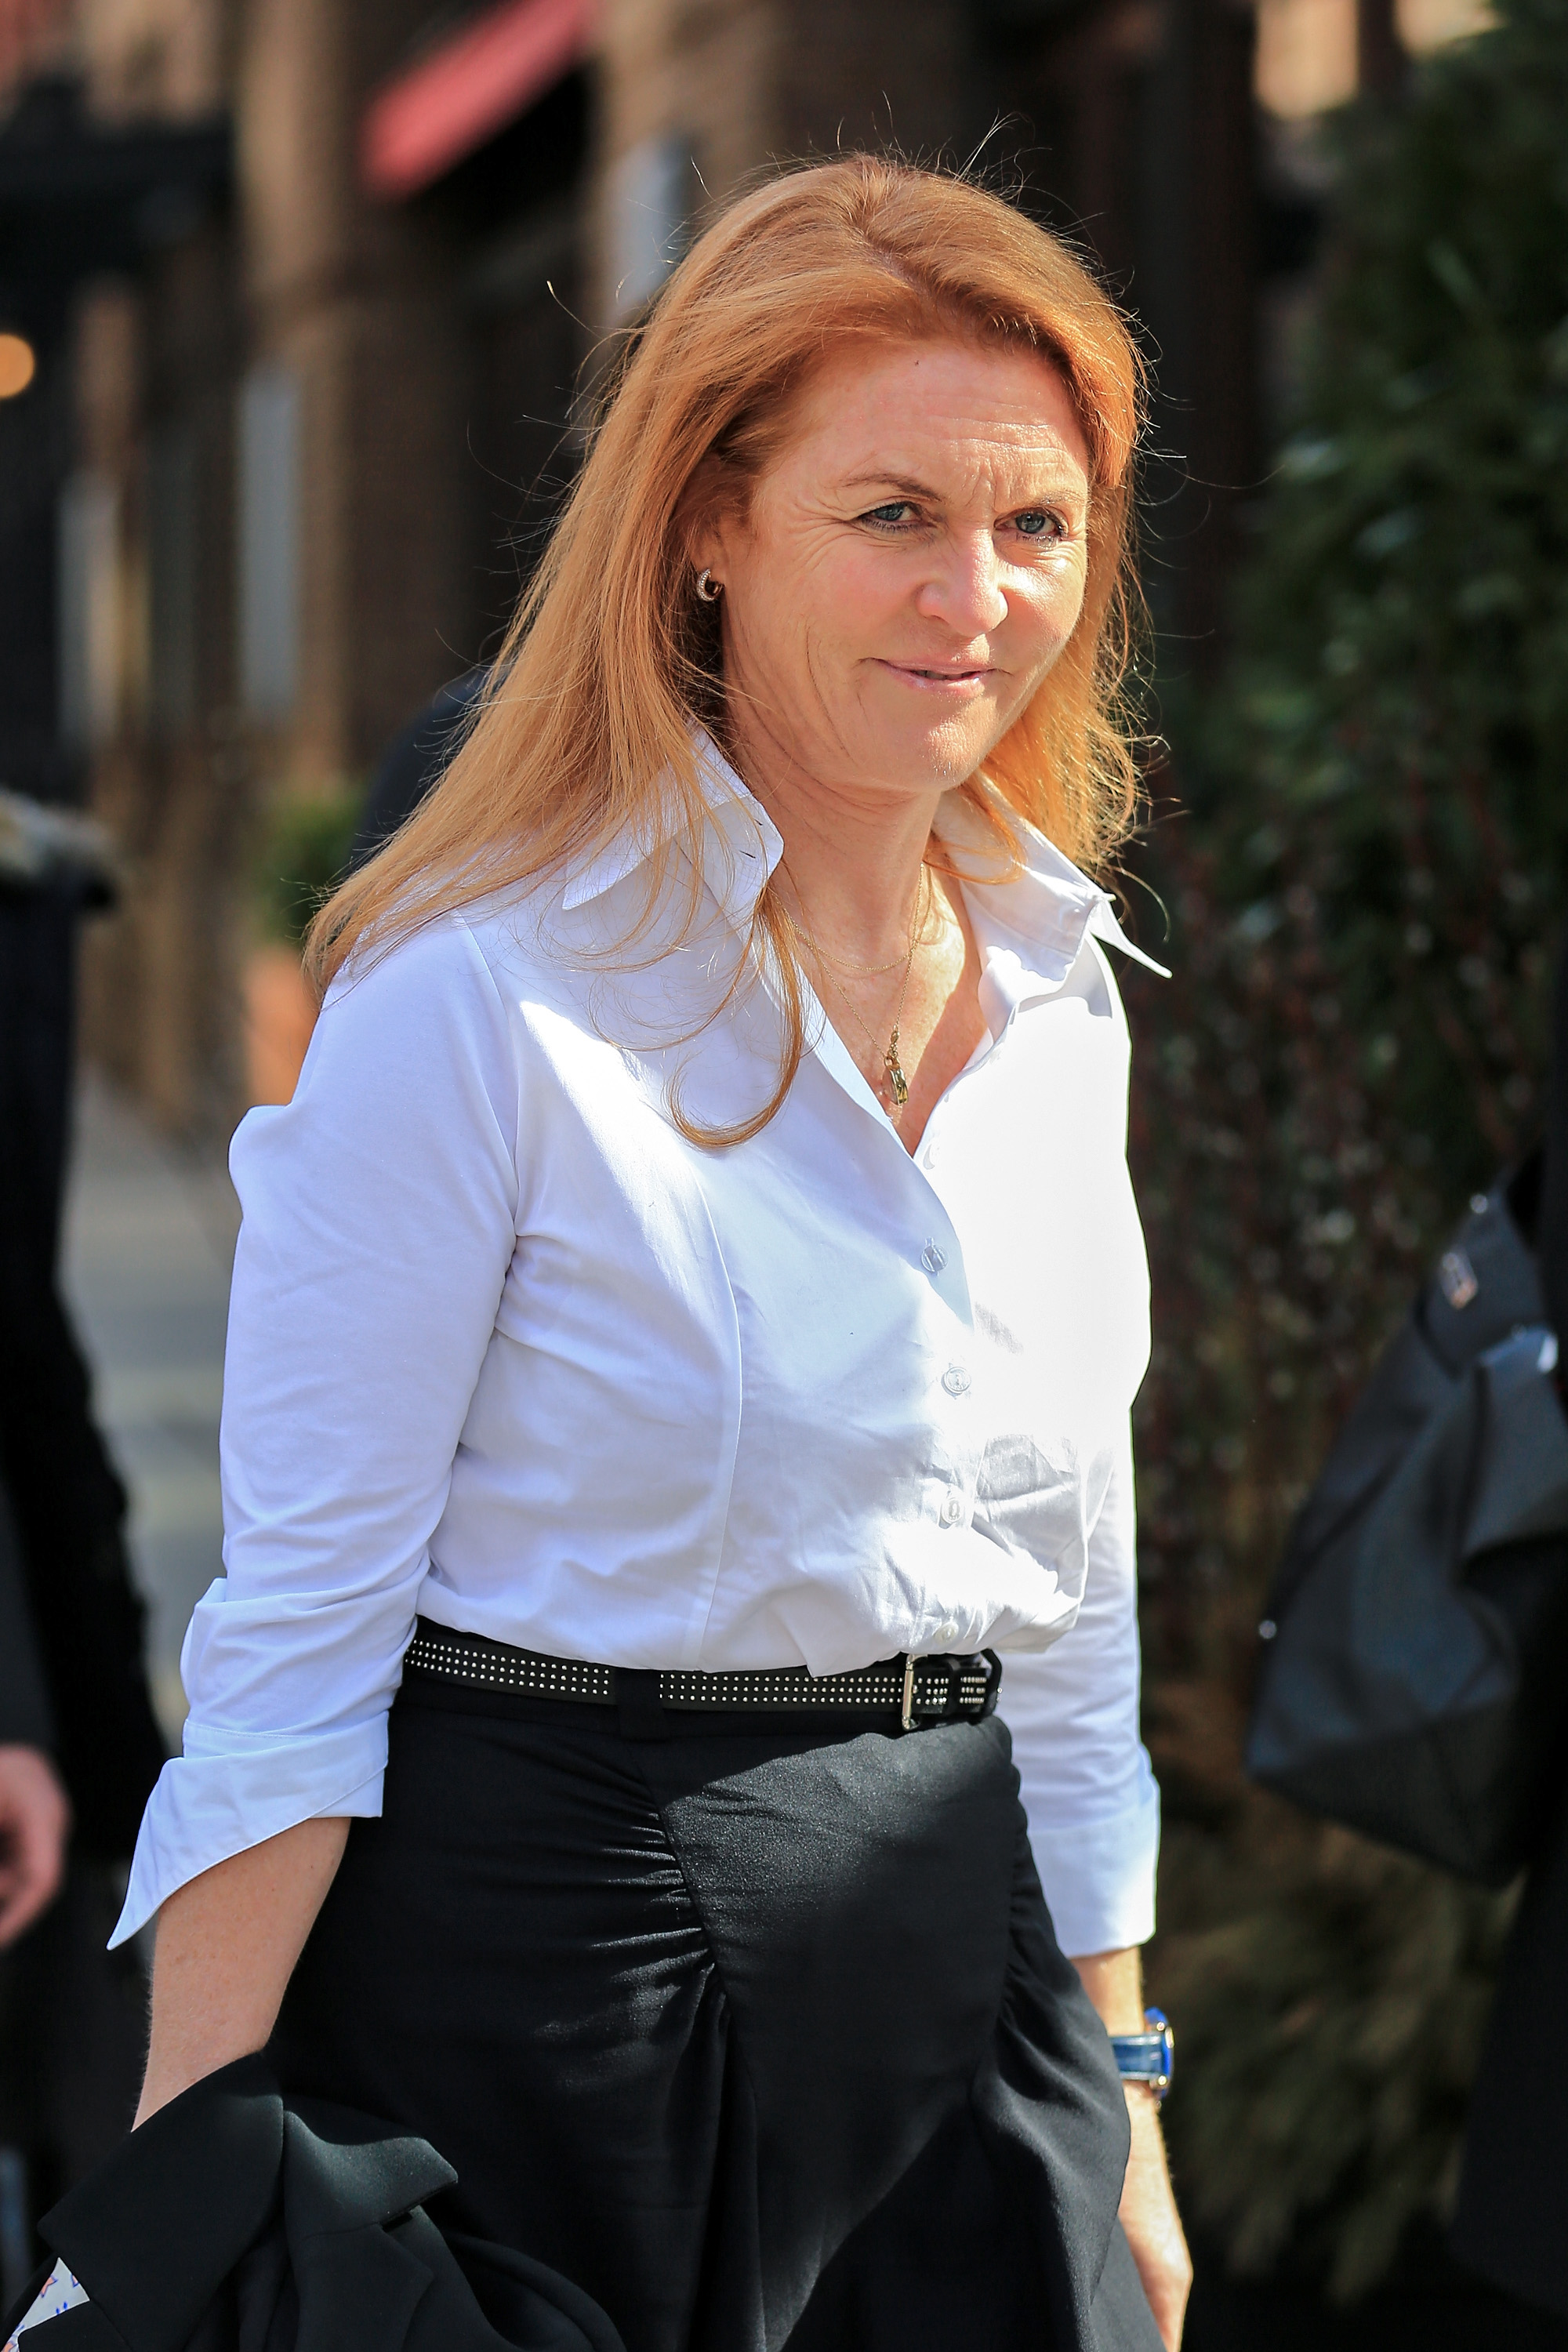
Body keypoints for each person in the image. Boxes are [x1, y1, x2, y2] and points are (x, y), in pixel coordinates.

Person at [114, 158, 1189, 2351]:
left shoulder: (1063, 994)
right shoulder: (477, 998)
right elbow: (295, 1643)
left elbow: (1072, 1622)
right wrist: (187, 2195)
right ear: (704, 521)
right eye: (891, 513)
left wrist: (1134, 2102)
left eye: (1037, 525)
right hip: (550, 1996)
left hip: (966, 2003)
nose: (977, 595)